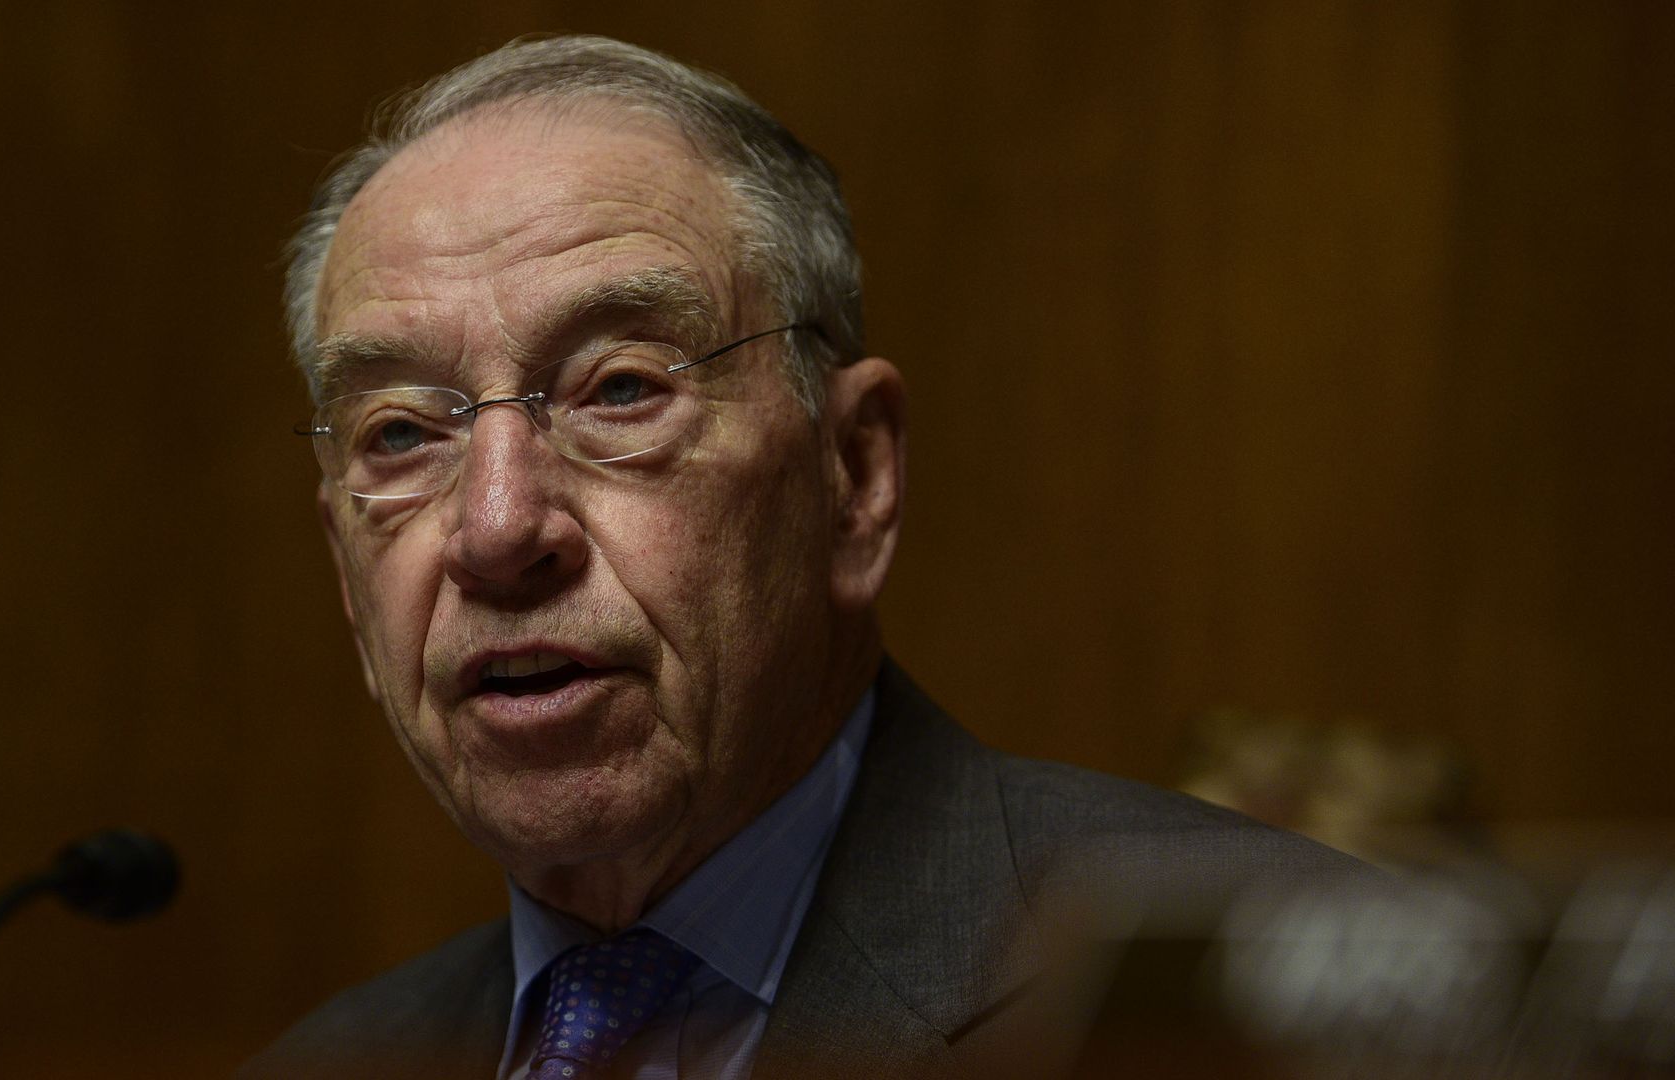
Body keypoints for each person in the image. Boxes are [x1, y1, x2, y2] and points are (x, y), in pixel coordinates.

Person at [245, 34, 1353, 1080]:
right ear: (346, 572)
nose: (495, 529)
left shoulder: (1247, 1003)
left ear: (853, 476)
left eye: (620, 389)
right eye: (402, 434)